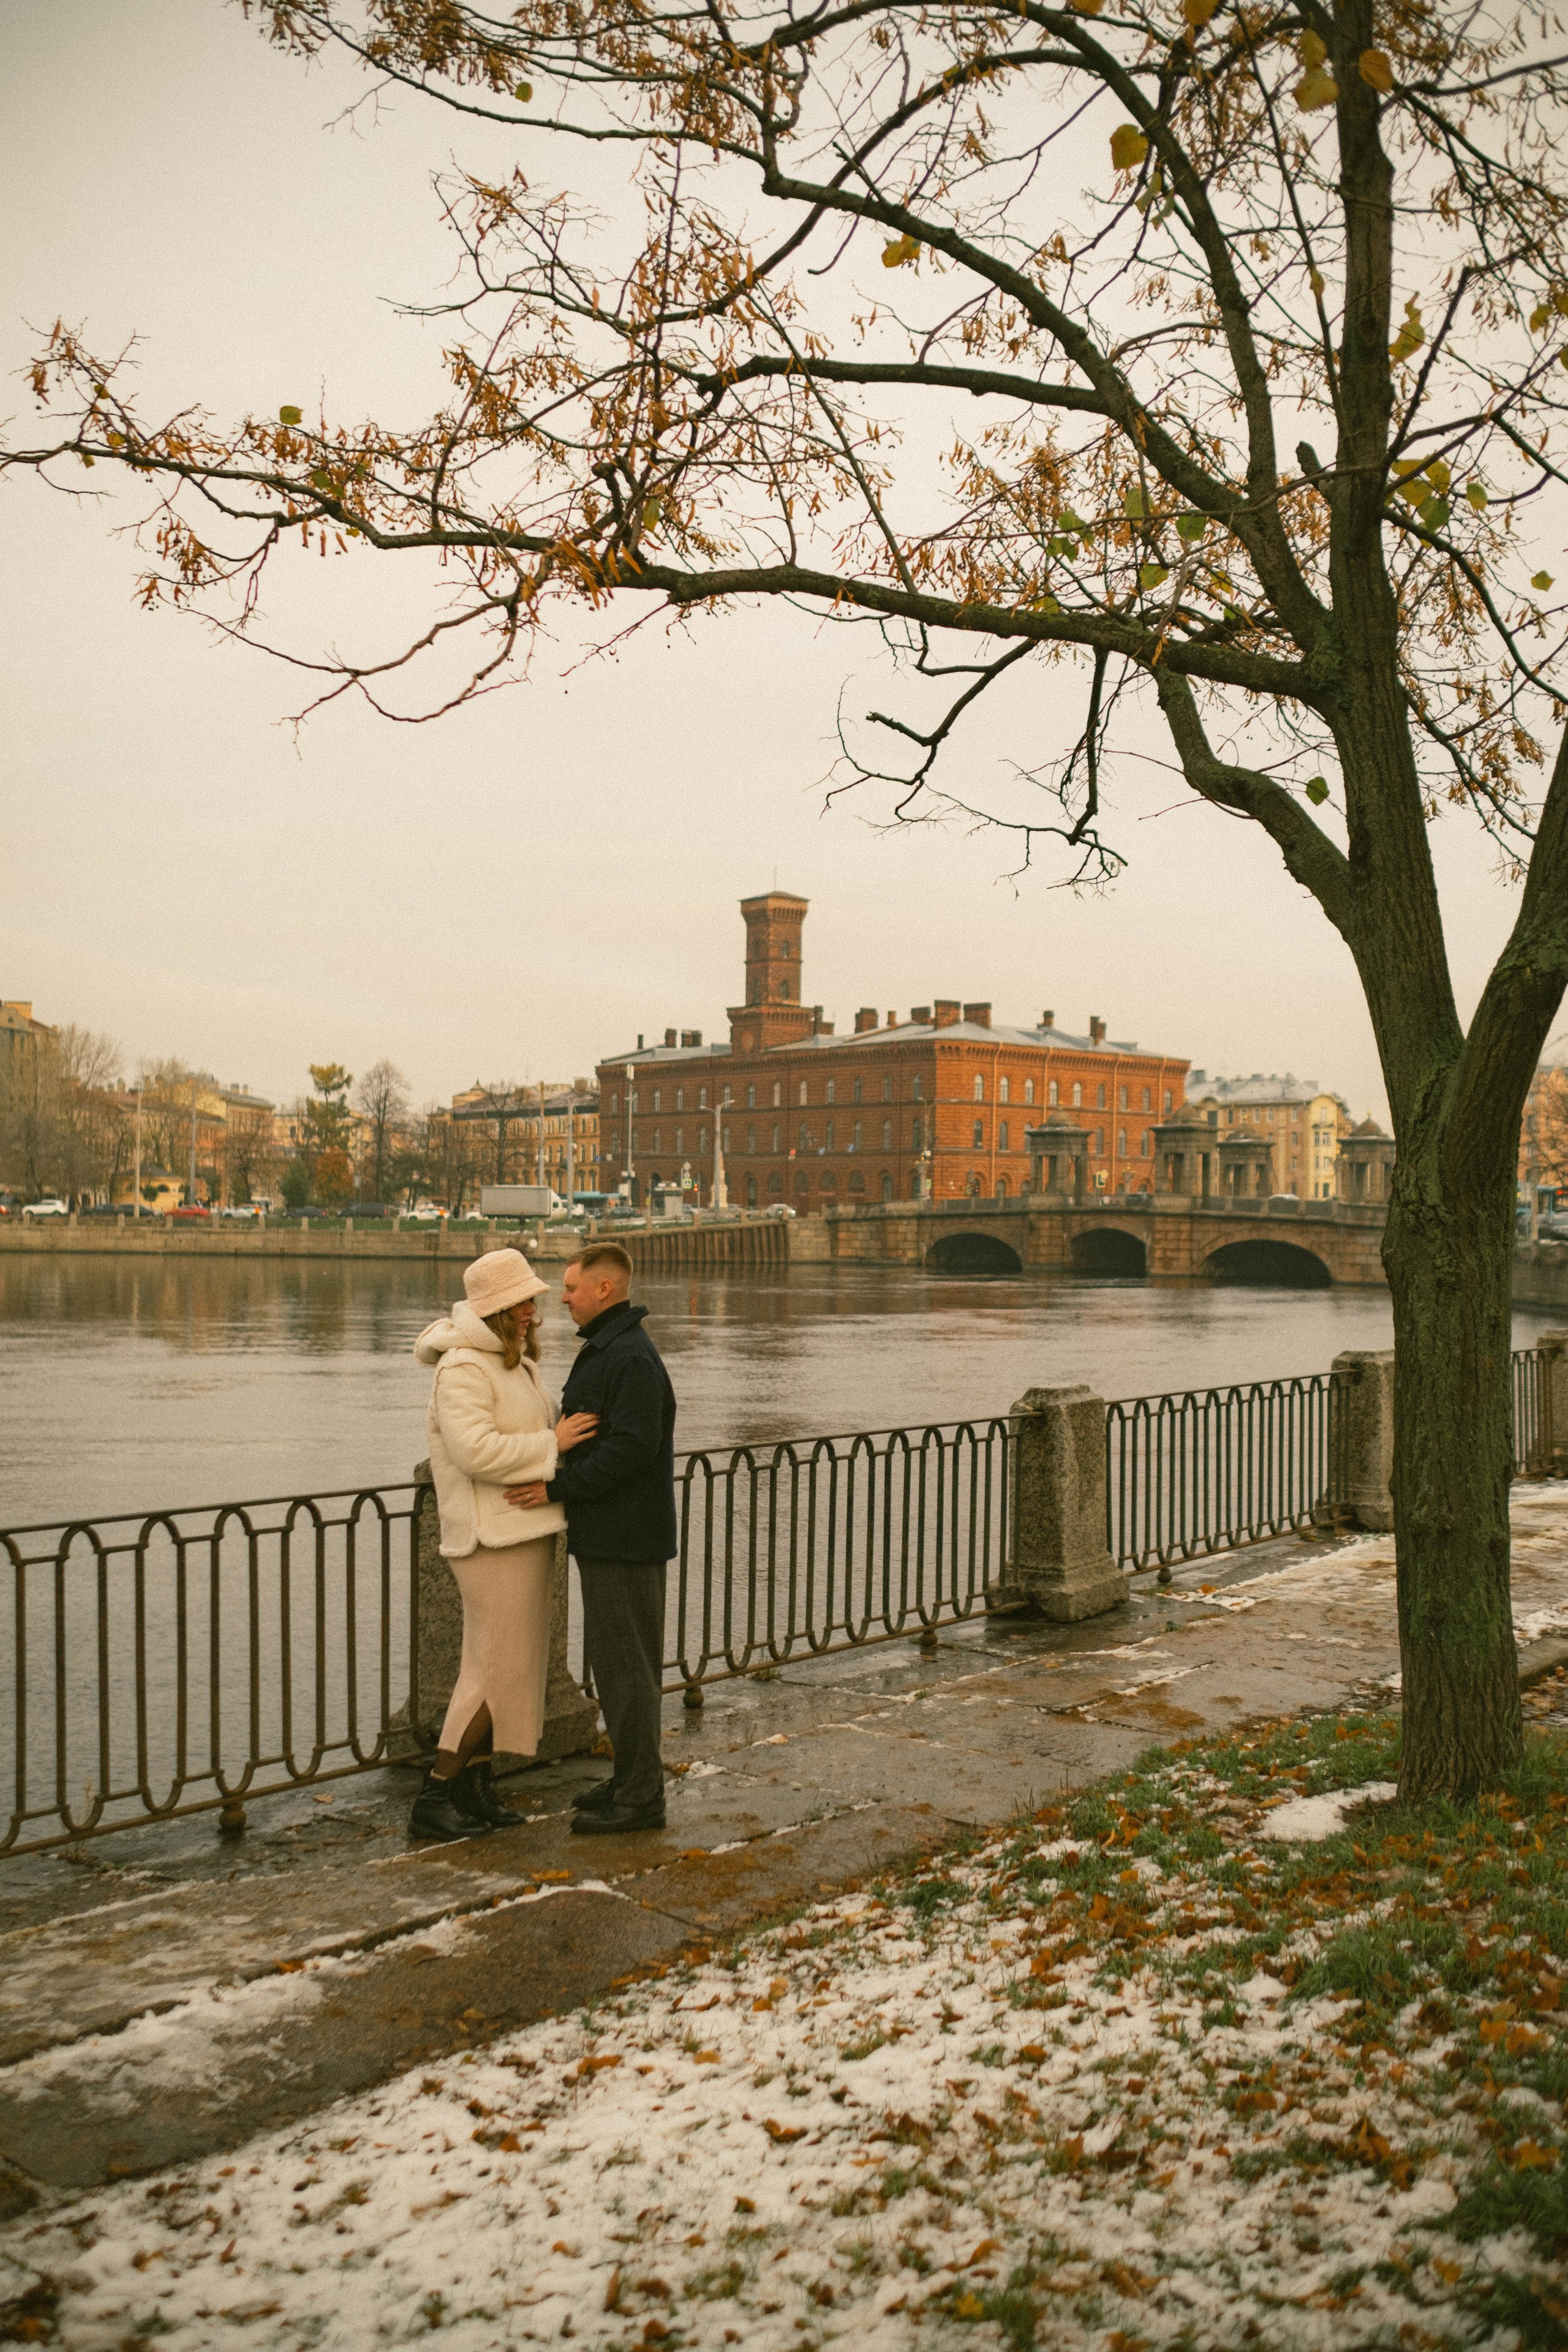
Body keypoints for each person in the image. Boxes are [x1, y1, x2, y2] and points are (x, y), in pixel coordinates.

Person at [409, 1248, 599, 1842]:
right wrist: (551, 1442)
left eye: (532, 1300)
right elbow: (475, 1452)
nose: (532, 1310)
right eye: (522, 1301)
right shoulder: (463, 1367)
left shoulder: (516, 1363)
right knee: (492, 1674)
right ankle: (435, 1794)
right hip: (491, 1538)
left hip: (526, 1529)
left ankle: (474, 1787)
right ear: (496, 1306)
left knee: (504, 1670)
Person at [503, 1240, 676, 1834]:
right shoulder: (616, 1349)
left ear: (605, 1289)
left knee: (627, 1668)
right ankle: (632, 1780)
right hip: (617, 1534)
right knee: (620, 1665)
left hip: (623, 1537)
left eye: (573, 1289)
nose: (565, 1299)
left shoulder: (626, 1357)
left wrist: (558, 1488)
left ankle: (641, 1798)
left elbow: (632, 1451)